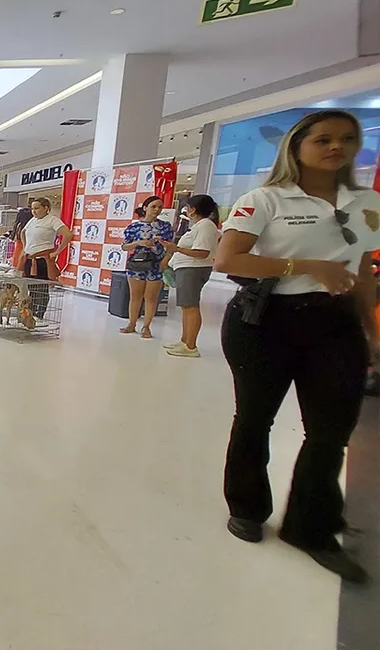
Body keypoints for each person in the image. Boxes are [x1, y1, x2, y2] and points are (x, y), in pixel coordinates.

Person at [215, 109, 380, 584]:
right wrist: (307, 266)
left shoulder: (363, 201)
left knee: (330, 431)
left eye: (346, 139)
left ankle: (313, 527)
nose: (336, 147)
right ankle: (246, 507)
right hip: (264, 321)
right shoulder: (265, 199)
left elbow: (364, 272)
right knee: (254, 418)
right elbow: (230, 257)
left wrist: (370, 333)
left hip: (336, 324)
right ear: (297, 145)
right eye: (323, 139)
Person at [158, 194, 220, 357]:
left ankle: (191, 346)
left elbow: (202, 252)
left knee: (191, 306)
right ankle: (185, 341)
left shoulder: (206, 226)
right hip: (186, 268)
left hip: (193, 269)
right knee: (186, 306)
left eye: (188, 207)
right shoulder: (199, 225)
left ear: (193, 209)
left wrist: (176, 249)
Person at [119, 196, 174, 339]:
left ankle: (146, 326)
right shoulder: (133, 227)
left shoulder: (166, 226)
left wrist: (165, 260)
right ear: (145, 208)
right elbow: (124, 246)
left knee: (151, 297)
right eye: (153, 206)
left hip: (156, 264)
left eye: (160, 207)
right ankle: (132, 323)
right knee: (135, 296)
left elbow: (170, 247)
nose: (157, 209)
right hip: (137, 264)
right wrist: (139, 243)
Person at [18, 198, 71, 319]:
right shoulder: (32, 221)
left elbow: (68, 234)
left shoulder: (53, 221)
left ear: (46, 208)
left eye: (37, 208)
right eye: (32, 208)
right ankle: (29, 314)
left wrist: (57, 251)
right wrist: (25, 247)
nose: (33, 211)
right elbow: (23, 232)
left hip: (42, 260)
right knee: (31, 287)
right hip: (29, 258)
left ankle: (39, 314)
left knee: (41, 288)